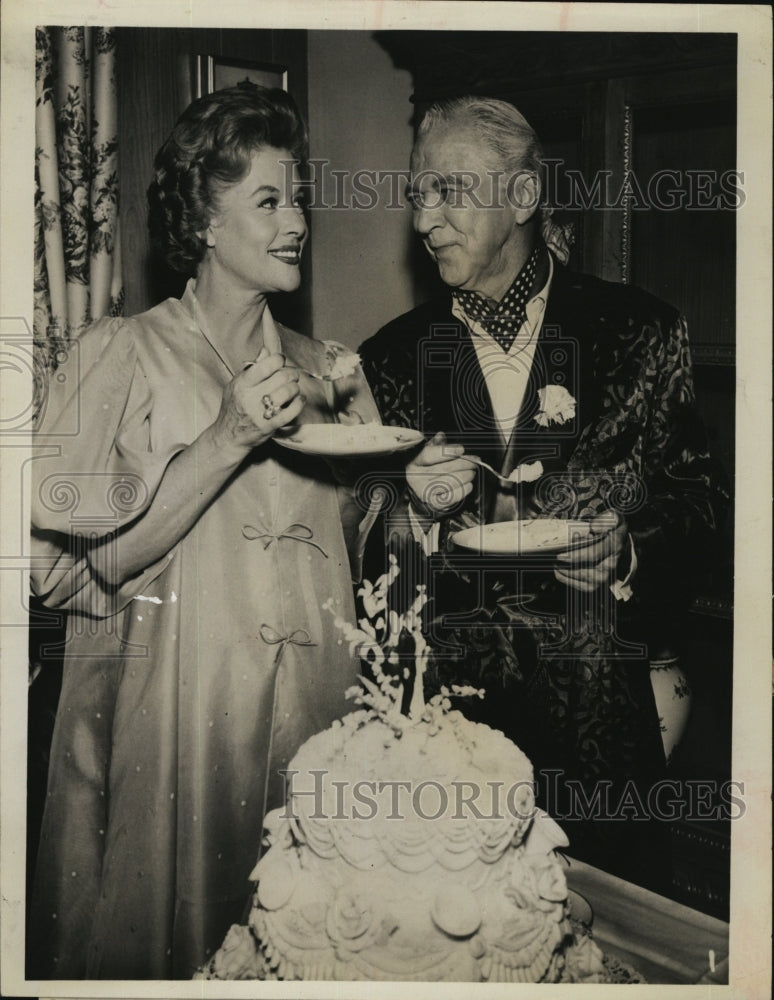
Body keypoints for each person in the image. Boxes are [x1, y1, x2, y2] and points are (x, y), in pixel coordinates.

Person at [27, 84, 379, 979]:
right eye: (269, 200)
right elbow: (77, 569)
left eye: (298, 197)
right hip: (172, 740)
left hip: (312, 726)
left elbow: (344, 558)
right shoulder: (120, 353)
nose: (297, 219)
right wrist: (224, 437)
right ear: (206, 224)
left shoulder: (321, 366)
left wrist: (387, 469)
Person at [359, 96, 728, 890]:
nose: (425, 219)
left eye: (449, 191)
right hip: (444, 743)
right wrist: (406, 513)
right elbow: (357, 557)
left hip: (597, 737)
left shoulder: (641, 331)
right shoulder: (388, 359)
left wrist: (627, 550)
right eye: (417, 194)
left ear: (523, 198)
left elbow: (703, 512)